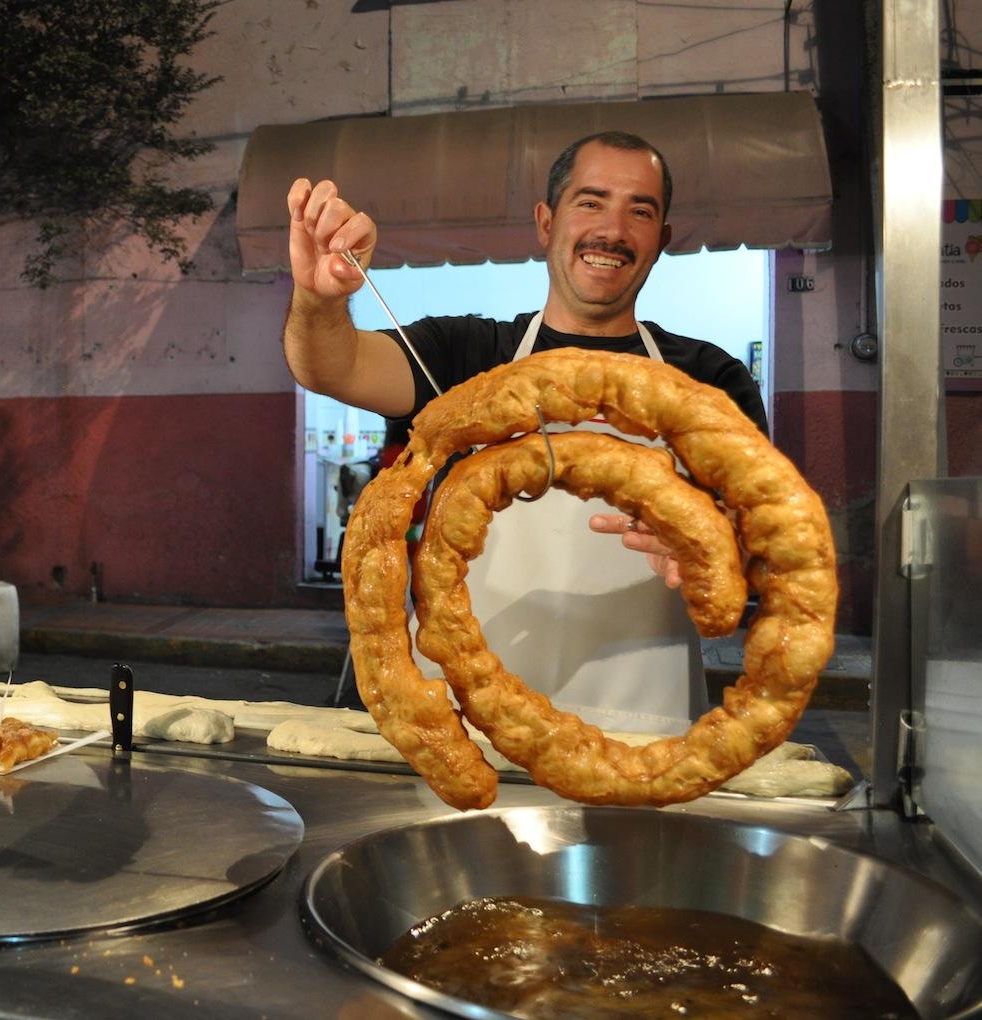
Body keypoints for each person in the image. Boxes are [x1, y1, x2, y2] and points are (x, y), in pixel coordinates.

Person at [284, 131, 768, 735]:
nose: (613, 230)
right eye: (590, 202)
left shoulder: (708, 379)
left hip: (643, 723)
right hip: (462, 721)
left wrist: (716, 554)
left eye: (640, 210)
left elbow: (758, 542)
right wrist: (319, 297)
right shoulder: (467, 354)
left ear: (662, 239)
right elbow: (332, 366)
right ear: (546, 221)